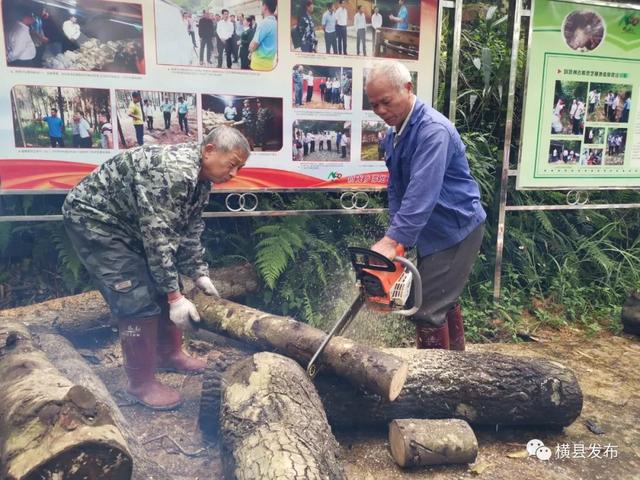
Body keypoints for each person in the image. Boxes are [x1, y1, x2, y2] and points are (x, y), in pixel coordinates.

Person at [62, 126, 250, 410]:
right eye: (232, 165)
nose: (234, 174)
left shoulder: (199, 178)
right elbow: (159, 237)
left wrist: (198, 273)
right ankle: (139, 383)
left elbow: (188, 229)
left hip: (130, 222)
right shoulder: (173, 173)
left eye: (240, 168)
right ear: (210, 150)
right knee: (134, 297)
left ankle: (168, 354)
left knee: (168, 283)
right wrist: (174, 298)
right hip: (96, 220)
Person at [365, 61, 486, 350]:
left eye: (386, 102)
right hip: (433, 229)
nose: (380, 110)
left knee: (427, 308)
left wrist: (393, 239)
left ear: (407, 89)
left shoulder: (432, 131)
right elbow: (397, 188)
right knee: (440, 300)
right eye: (374, 105)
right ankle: (457, 370)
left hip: (455, 228)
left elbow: (422, 193)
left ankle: (435, 390)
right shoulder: (396, 133)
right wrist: (398, 243)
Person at [250, 0, 278, 71]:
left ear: (265, 7)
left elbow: (253, 45)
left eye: (261, 6)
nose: (261, 8)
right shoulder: (276, 23)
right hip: (269, 63)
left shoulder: (264, 23)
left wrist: (250, 50)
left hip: (259, 64)